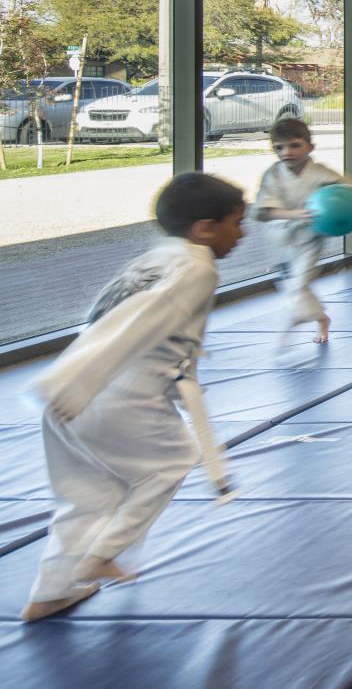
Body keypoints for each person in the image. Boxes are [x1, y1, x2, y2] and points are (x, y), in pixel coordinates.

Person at [23, 172, 245, 621]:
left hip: (72, 395)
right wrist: (83, 379)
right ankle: (102, 553)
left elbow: (102, 316)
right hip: (112, 392)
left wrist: (70, 379)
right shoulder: (198, 268)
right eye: (237, 223)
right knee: (173, 461)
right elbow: (142, 320)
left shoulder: (155, 259)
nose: (241, 234)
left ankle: (50, 591)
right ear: (205, 227)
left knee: (88, 495)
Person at [253, 117, 352, 344]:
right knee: (288, 285)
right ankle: (320, 318)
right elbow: (264, 210)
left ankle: (301, 320)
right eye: (279, 147)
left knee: (299, 284)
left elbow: (350, 192)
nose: (287, 152)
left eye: (294, 145)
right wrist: (294, 214)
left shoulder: (320, 172)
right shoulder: (274, 175)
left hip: (310, 238)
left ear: (310, 147)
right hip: (281, 237)